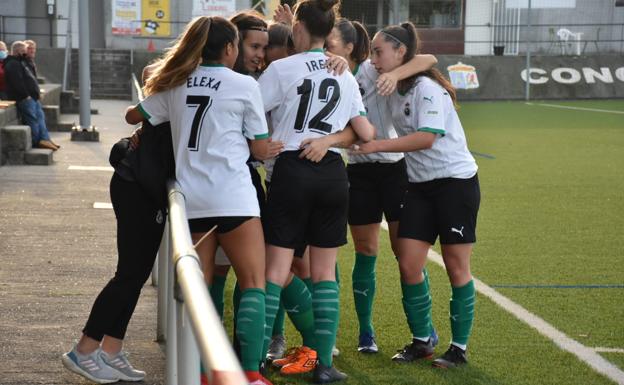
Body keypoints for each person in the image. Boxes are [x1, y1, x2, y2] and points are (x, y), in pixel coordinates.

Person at [126, 16, 278, 385]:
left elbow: (134, 114)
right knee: (253, 283)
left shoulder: (176, 83)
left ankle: (199, 372)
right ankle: (251, 373)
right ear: (229, 48)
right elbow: (258, 146)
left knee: (200, 289)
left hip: (192, 201)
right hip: (235, 198)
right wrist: (270, 146)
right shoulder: (243, 84)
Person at [257, 0, 375, 382]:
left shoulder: (281, 67)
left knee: (274, 270)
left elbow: (249, 112)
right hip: (332, 173)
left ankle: (257, 359)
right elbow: (363, 131)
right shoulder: (341, 69)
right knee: (324, 275)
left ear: (298, 28)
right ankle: (323, 364)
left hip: (292, 167)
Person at [351, 21, 480, 369]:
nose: (373, 58)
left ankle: (458, 348)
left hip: (455, 183)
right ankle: (423, 340)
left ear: (400, 53)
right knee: (408, 262)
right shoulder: (390, 83)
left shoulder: (426, 89)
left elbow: (427, 137)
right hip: (419, 186)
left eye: (379, 51)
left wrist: (378, 145)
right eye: (373, 51)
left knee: (456, 267)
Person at [325, 17, 439, 354]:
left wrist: (393, 73)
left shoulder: (376, 69)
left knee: (405, 253)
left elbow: (427, 60)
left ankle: (425, 327)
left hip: (394, 170)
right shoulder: (330, 73)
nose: (326, 48)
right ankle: (366, 332)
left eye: (331, 43)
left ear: (348, 47)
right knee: (365, 251)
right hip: (359, 173)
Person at [61, 64, 174, 385]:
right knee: (128, 275)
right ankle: (83, 350)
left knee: (134, 276)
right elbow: (133, 113)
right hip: (134, 184)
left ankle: (110, 350)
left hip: (144, 186)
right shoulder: (180, 88)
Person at [3, 41, 58, 150]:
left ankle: (45, 139)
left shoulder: (21, 62)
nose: (26, 53)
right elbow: (17, 82)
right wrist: (26, 95)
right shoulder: (13, 64)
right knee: (32, 119)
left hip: (32, 97)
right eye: (24, 51)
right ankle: (37, 141)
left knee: (40, 117)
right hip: (25, 98)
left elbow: (30, 80)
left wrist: (35, 93)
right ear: (18, 51)